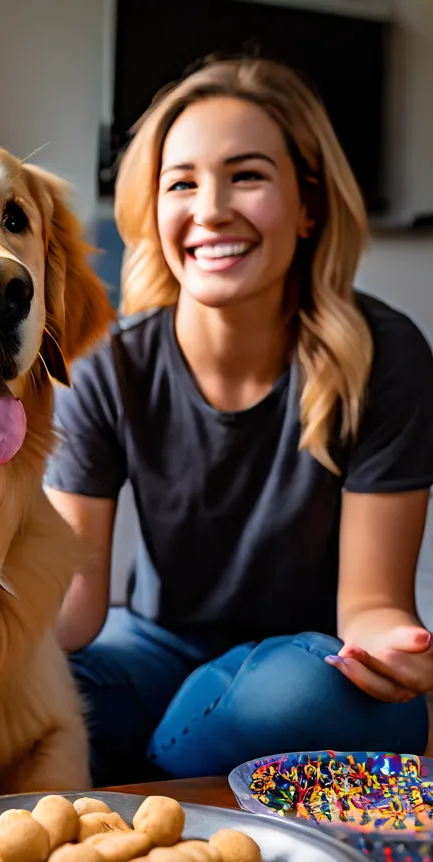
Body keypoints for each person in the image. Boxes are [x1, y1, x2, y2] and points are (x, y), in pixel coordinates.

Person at [45, 57, 433, 785]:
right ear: (152, 211)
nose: (211, 208)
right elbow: (70, 603)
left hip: (304, 664)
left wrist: (395, 645)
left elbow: (373, 604)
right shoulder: (106, 363)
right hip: (150, 648)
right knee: (42, 696)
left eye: (247, 176)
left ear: (309, 205)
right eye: (182, 183)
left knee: (306, 702)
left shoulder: (388, 356)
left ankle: (138, 780)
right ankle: (190, 773)